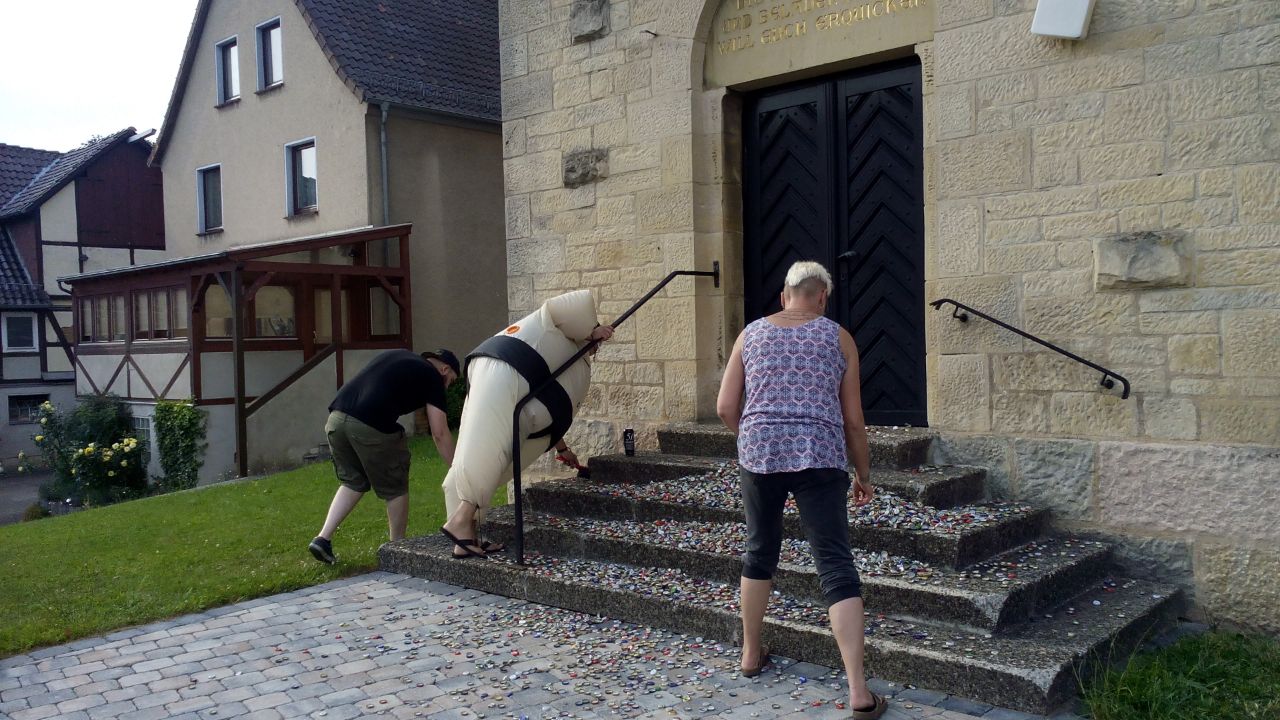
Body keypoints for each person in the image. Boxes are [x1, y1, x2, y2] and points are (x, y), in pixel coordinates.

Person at [716, 261, 885, 719]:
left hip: (760, 452)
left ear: (784, 294)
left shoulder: (750, 334)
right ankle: (858, 692)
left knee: (759, 551)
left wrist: (751, 437)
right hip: (821, 454)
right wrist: (863, 475)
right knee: (833, 561)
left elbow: (725, 405)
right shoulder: (837, 337)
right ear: (822, 298)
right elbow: (853, 419)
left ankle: (751, 654)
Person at [440, 289, 613, 559]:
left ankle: (467, 538)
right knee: (486, 450)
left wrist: (562, 448)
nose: (597, 347)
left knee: (491, 454)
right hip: (501, 368)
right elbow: (566, 306)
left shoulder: (563, 353)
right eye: (595, 338)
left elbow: (546, 404)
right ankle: (460, 521)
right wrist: (593, 330)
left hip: (501, 373)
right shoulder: (553, 326)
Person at [308, 348, 460, 564]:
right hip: (369, 424)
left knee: (354, 482)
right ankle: (396, 551)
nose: (448, 385)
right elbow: (440, 433)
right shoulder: (433, 377)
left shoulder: (399, 356)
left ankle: (322, 539)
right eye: (451, 380)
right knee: (395, 487)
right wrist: (456, 469)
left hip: (336, 419)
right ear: (445, 369)